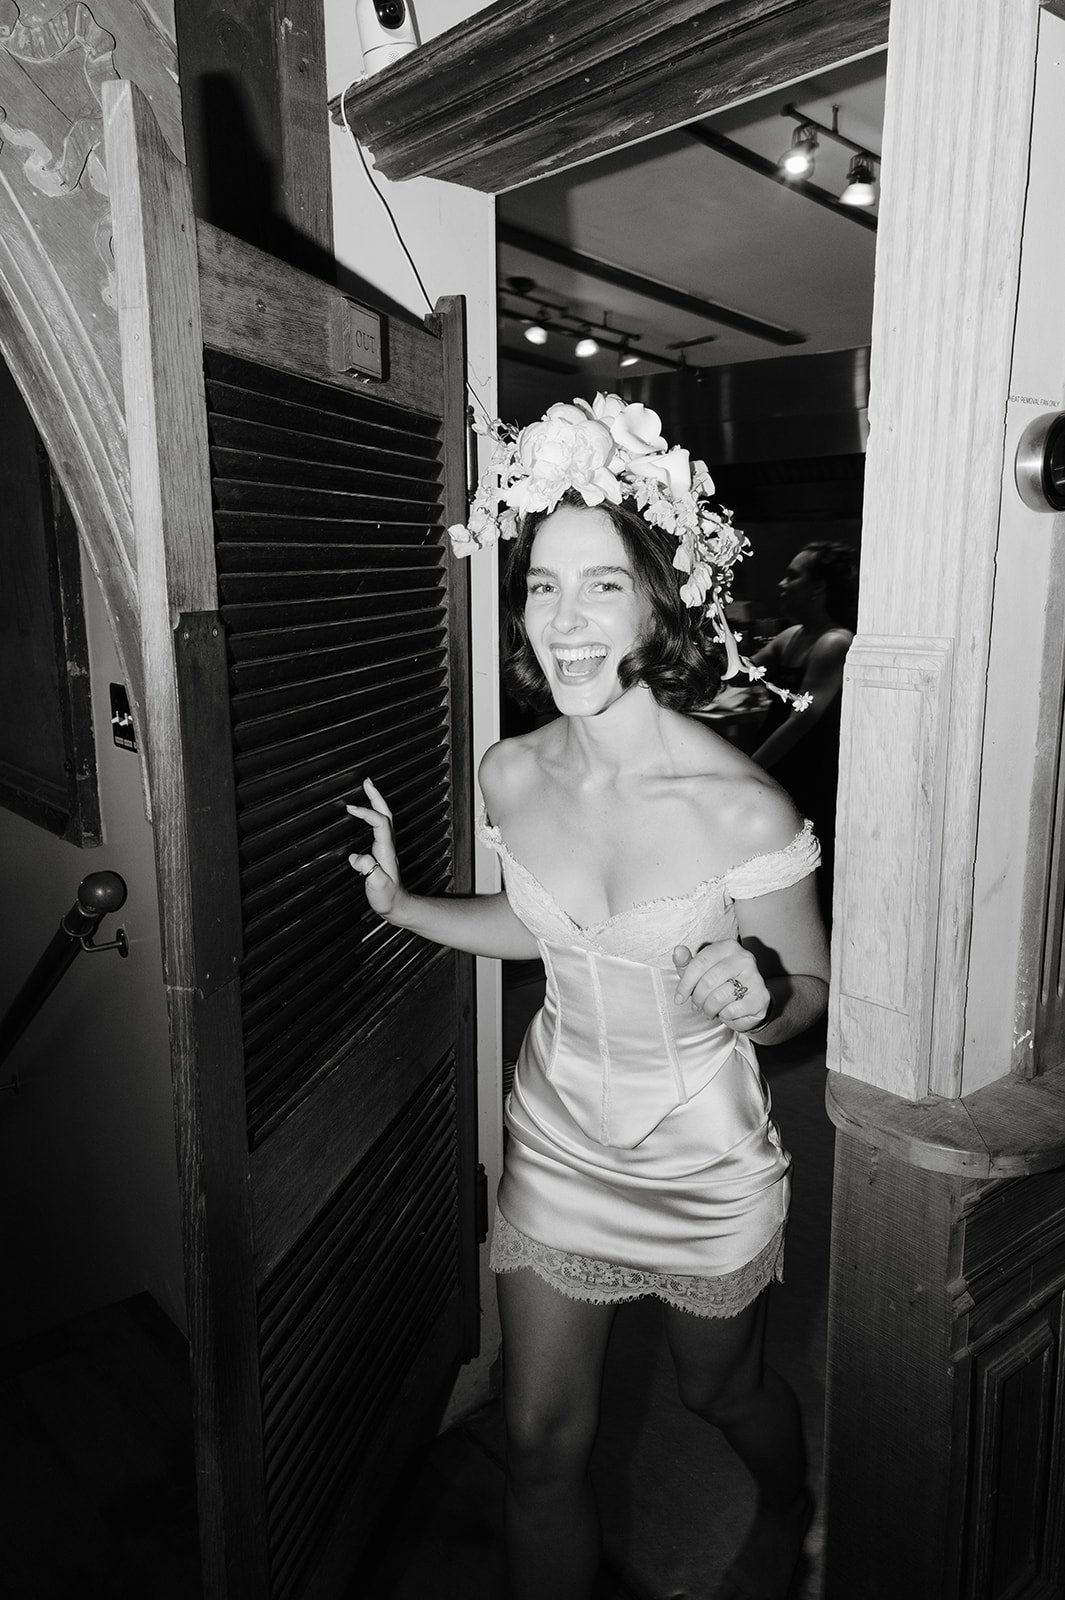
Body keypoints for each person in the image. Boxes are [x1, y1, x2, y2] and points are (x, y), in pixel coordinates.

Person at [346, 395, 829, 1600]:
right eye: (541, 586)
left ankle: (791, 1498)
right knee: (539, 1444)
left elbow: (806, 997)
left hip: (703, 1165)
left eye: (599, 586)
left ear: (658, 603)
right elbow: (541, 929)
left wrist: (759, 992)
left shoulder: (742, 808)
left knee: (722, 1391)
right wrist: (409, 909)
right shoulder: (510, 770)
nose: (561, 621)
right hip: (556, 1145)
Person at [749, 543, 858, 919]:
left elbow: (802, 721)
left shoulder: (834, 642)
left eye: (793, 575)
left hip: (808, 772)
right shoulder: (793, 635)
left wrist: (751, 770)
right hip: (783, 767)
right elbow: (742, 672)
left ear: (818, 588)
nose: (781, 583)